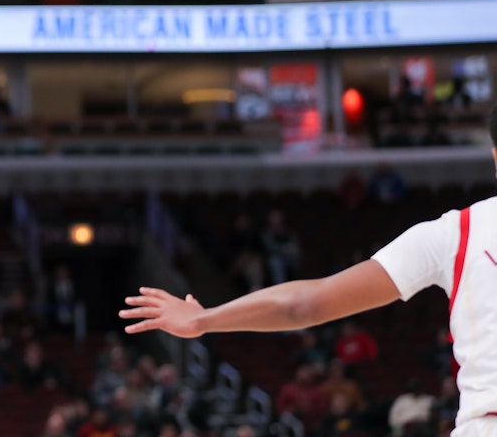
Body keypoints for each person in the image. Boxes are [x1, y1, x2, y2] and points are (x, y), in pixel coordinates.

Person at [121, 103, 497, 437]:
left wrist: (205, 318)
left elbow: (306, 304)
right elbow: (305, 304)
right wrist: (206, 319)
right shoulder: (454, 234)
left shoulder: (457, 234)